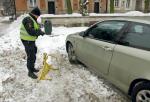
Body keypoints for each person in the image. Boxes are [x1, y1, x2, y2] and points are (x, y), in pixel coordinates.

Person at [20, 7, 45, 79]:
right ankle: (30, 72)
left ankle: (32, 68)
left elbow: (35, 28)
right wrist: (39, 32)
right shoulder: (28, 20)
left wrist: (40, 30)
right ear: (34, 14)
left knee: (33, 53)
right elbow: (31, 31)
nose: (38, 17)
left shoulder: (32, 19)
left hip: (30, 40)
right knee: (31, 56)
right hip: (27, 40)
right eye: (38, 16)